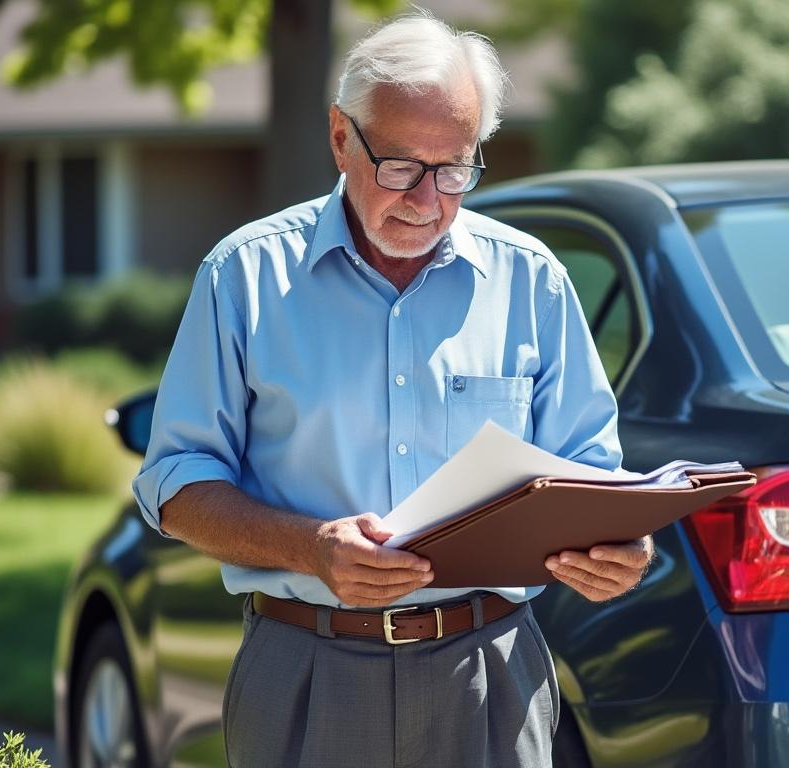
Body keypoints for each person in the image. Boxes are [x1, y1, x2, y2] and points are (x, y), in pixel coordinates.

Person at [132, 10, 651, 768]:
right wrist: (309, 548)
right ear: (341, 137)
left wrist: (616, 547)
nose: (428, 199)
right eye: (403, 167)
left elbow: (592, 475)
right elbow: (175, 484)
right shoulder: (244, 276)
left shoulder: (531, 279)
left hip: (493, 672)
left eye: (455, 169)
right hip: (305, 668)